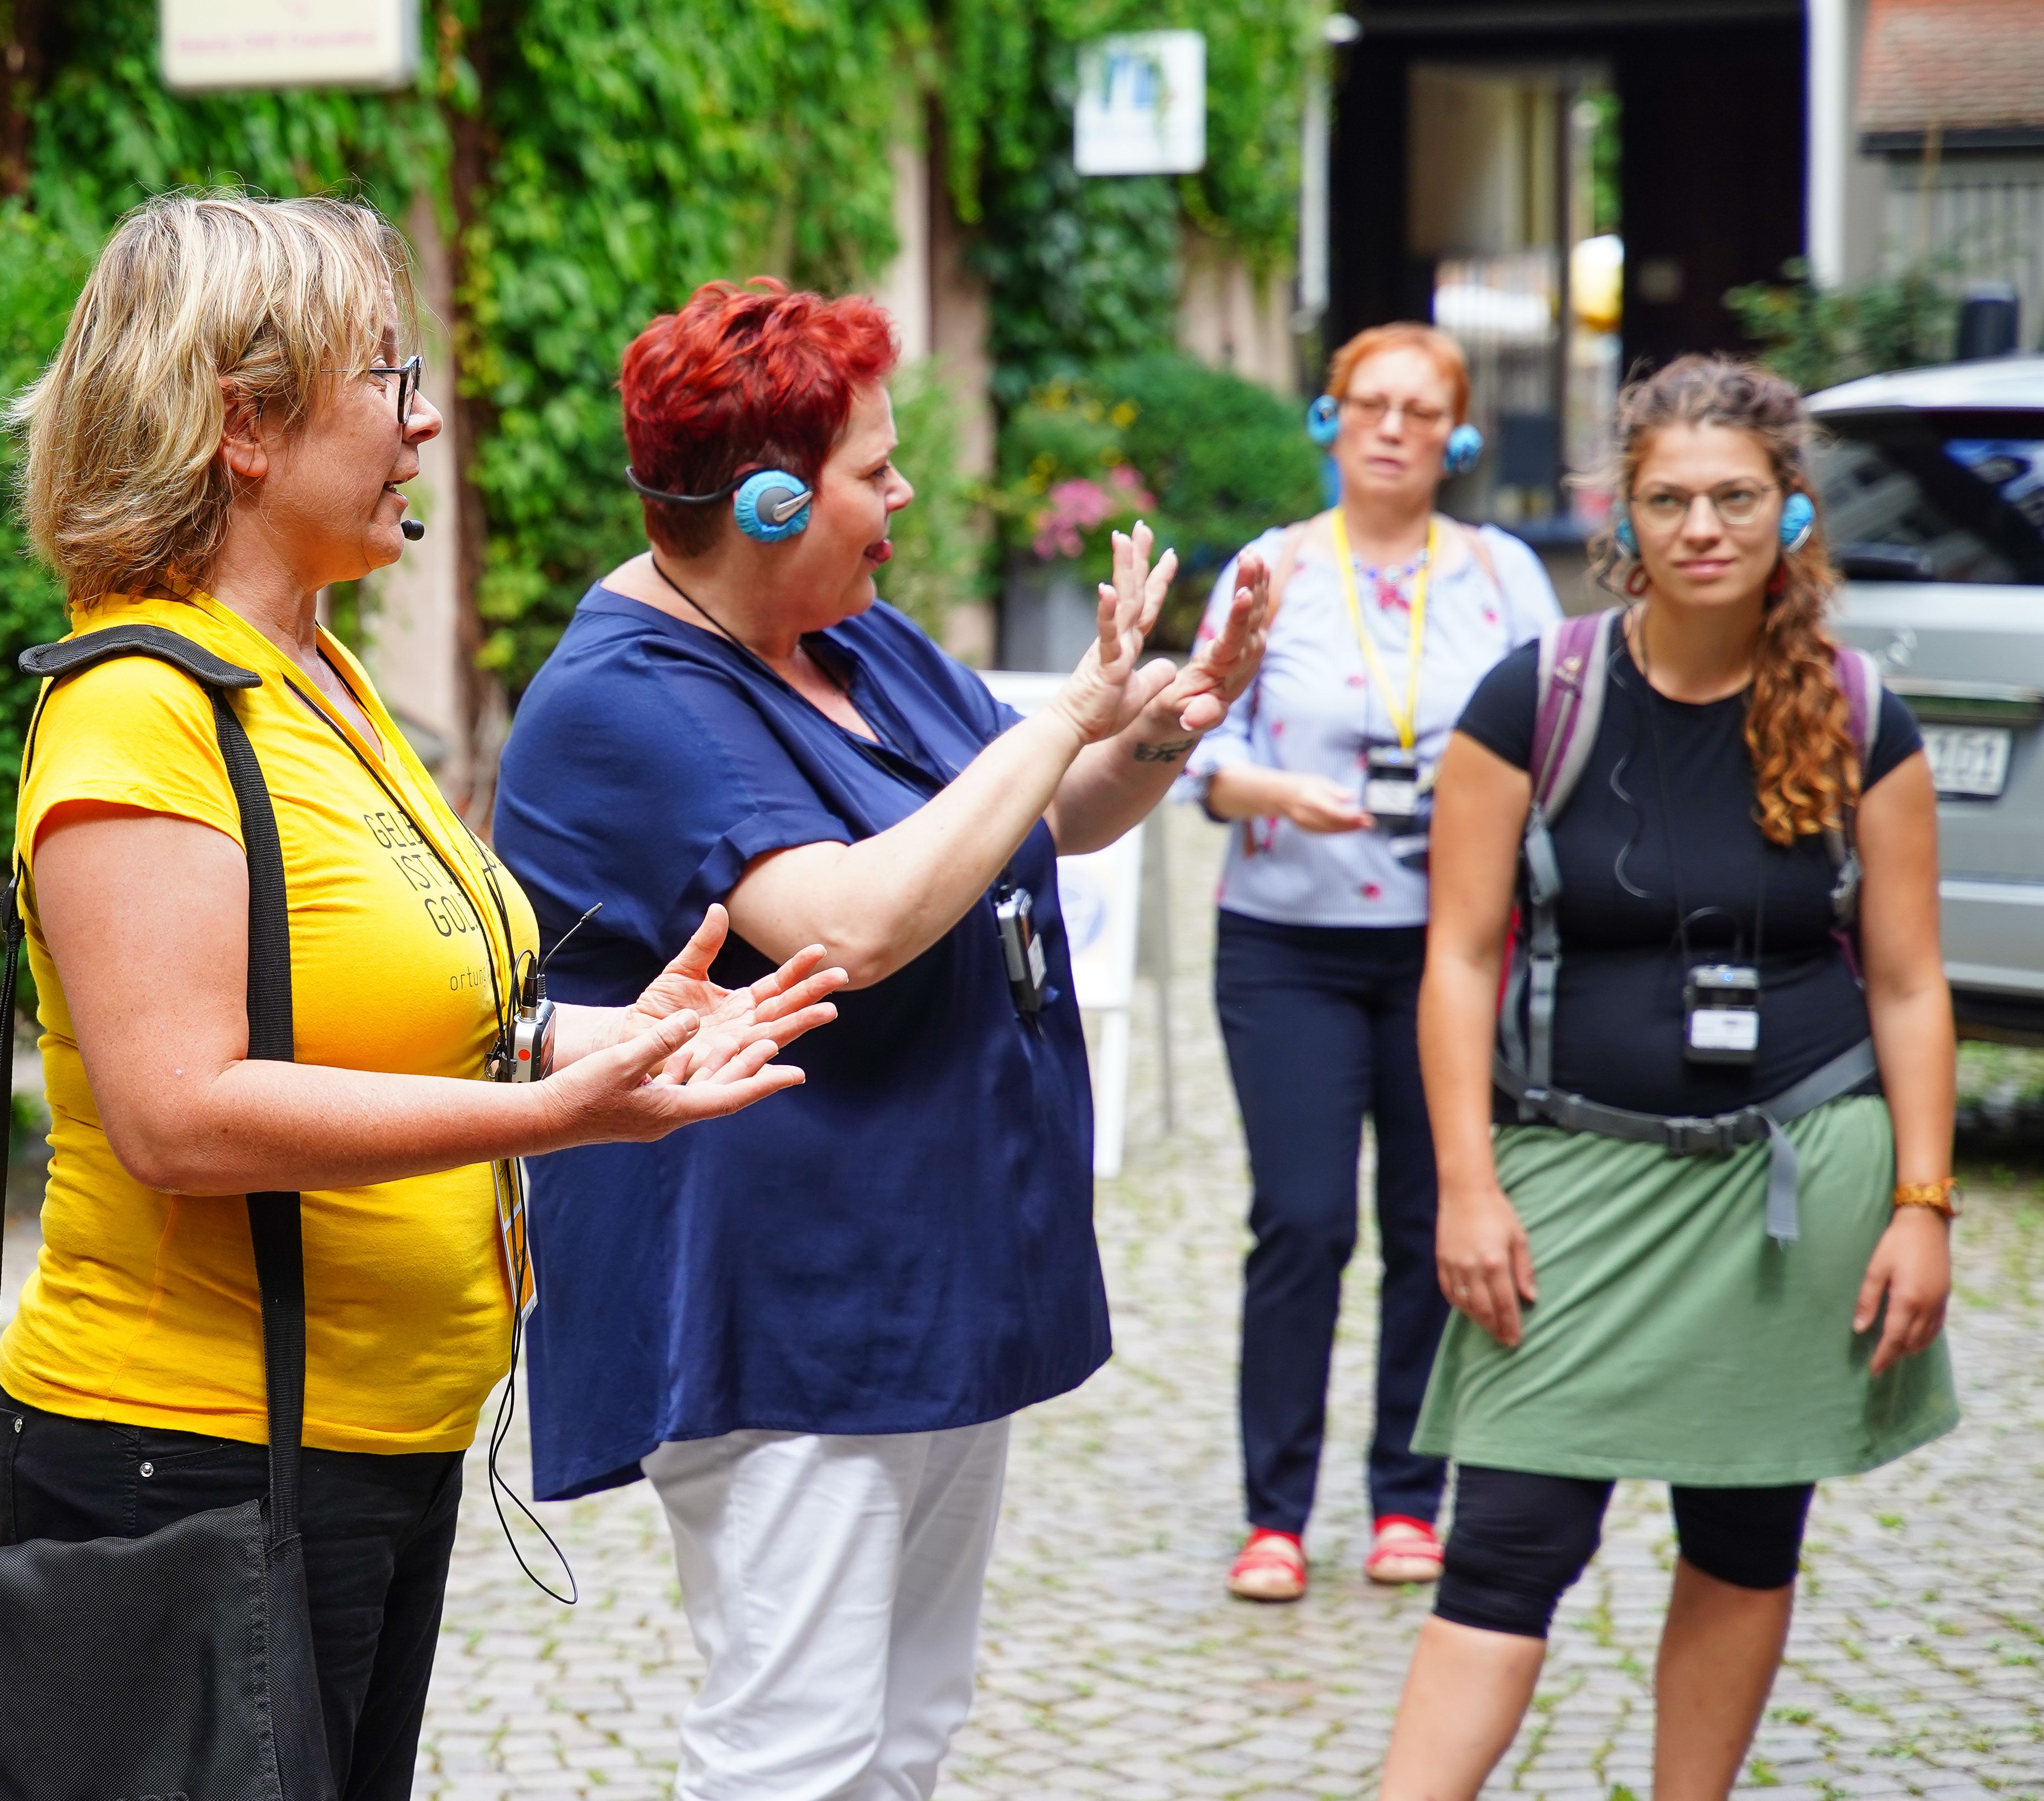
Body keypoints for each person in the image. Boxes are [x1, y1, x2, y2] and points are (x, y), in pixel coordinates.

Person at [0, 194, 846, 1799]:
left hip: (362, 1455)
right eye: (388, 378)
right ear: (245, 425)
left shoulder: (318, 677)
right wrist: (541, 1116)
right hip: (187, 1463)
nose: (426, 419)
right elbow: (179, 1115)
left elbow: (390, 1015)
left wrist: (611, 1038)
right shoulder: (139, 714)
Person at [492, 278, 1274, 1800]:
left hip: (928, 1275)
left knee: (907, 1730)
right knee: (795, 1746)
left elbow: (1038, 822)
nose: (903, 495)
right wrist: (1068, 716)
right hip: (783, 1308)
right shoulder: (622, 700)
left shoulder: (852, 640)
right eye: (876, 470)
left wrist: (1169, 719)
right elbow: (850, 924)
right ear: (772, 500)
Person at [1381, 355, 1959, 1801]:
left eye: (1736, 497)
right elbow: (1454, 962)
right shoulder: (1535, 700)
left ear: (1792, 513)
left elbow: (1906, 981)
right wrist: (1464, 1185)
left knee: (1745, 1539)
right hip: (1571, 1171)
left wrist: (1923, 1204)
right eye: (1668, 500)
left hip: (1792, 1185)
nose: (1703, 526)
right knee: (1506, 1537)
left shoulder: (1857, 713)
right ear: (1622, 521)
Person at [1178, 323, 1564, 1603]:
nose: (1390, 427)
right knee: (1298, 1219)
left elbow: (1557, 732)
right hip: (1284, 945)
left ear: (1455, 437)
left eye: (1417, 410)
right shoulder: (1270, 567)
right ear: (1326, 421)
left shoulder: (1502, 575)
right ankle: (1272, 1514)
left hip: (1450, 947)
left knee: (1426, 1219)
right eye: (1367, 405)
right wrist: (1269, 785)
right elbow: (1188, 750)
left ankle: (1408, 1497)